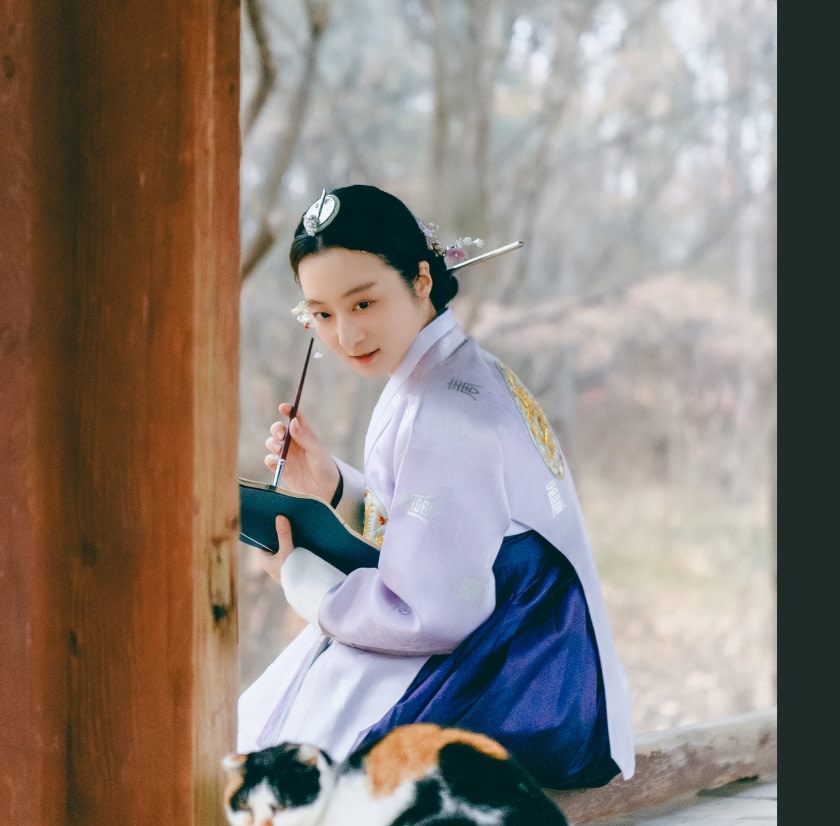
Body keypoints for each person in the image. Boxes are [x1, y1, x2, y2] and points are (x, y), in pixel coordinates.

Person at [238, 184, 633, 789]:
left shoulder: (445, 409)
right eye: (321, 314)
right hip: (537, 648)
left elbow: (429, 612)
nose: (345, 334)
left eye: (364, 303)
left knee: (299, 746)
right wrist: (333, 483)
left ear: (421, 279)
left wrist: (303, 581)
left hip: (522, 672)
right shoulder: (455, 370)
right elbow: (441, 527)